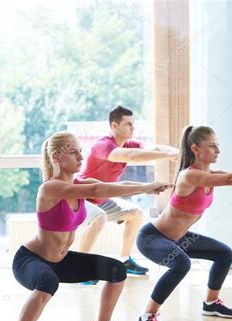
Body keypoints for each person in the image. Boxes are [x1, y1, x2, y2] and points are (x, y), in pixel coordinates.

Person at [9, 131, 172, 321]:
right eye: (73, 152)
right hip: (30, 260)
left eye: (80, 151)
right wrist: (145, 187)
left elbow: (116, 186)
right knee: (48, 282)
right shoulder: (50, 187)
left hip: (61, 261)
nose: (80, 157)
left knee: (117, 270)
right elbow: (97, 189)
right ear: (57, 157)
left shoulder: (80, 183)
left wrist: (149, 187)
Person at [135, 125, 232, 321]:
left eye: (218, 145)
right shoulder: (189, 176)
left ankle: (211, 303)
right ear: (195, 149)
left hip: (179, 238)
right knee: (181, 263)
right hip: (153, 238)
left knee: (224, 253)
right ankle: (147, 317)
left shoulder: (208, 174)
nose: (218, 150)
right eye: (212, 146)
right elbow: (231, 180)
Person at [77, 105, 179, 278]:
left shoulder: (129, 144)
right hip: (80, 199)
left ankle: (125, 260)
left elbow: (153, 149)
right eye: (128, 124)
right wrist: (168, 157)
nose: (133, 128)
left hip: (102, 199)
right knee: (99, 217)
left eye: (133, 124)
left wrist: (177, 152)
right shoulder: (102, 145)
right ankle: (79, 268)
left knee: (135, 213)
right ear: (114, 126)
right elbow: (131, 155)